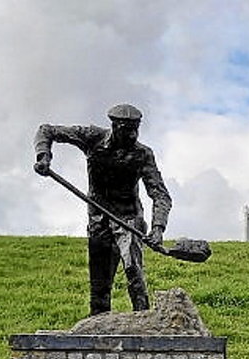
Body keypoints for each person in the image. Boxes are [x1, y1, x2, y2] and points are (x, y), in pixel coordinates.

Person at [33, 104, 172, 314]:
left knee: (133, 270)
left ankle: (144, 320)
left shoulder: (143, 154)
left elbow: (160, 194)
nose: (133, 135)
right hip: (99, 219)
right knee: (99, 285)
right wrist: (44, 155)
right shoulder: (92, 137)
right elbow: (46, 130)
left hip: (129, 218)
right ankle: (97, 330)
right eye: (127, 129)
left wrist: (158, 228)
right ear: (115, 127)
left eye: (136, 129)